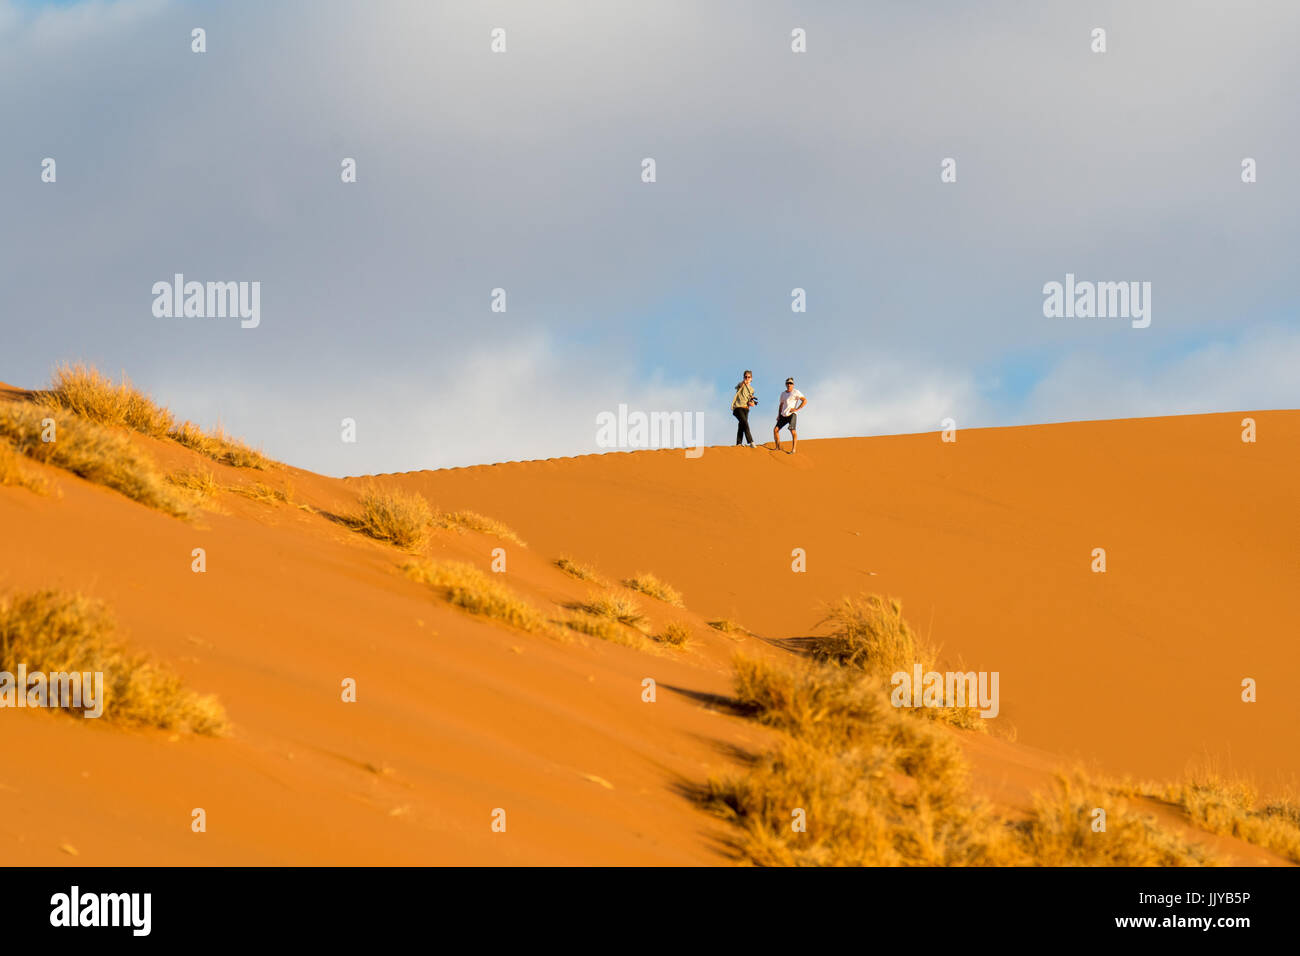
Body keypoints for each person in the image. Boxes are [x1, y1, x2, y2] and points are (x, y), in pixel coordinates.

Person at [774, 376, 807, 454]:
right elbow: (781, 405)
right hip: (783, 415)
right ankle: (778, 447)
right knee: (775, 430)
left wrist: (797, 409)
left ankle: (793, 450)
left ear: (793, 384)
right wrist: (779, 415)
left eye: (791, 383)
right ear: (786, 384)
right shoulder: (783, 394)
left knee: (792, 431)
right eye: (788, 383)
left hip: (792, 414)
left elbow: (804, 400)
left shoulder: (796, 392)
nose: (789, 384)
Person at [731, 370, 757, 446]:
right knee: (745, 423)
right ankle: (751, 441)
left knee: (742, 425)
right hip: (738, 408)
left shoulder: (752, 389)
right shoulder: (741, 384)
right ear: (743, 377)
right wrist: (743, 382)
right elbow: (738, 387)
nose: (747, 378)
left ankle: (738, 443)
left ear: (751, 378)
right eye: (745, 377)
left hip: (746, 409)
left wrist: (751, 403)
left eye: (748, 377)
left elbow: (750, 400)